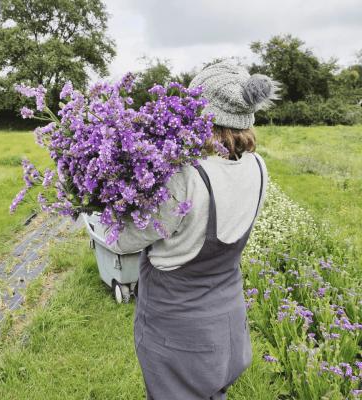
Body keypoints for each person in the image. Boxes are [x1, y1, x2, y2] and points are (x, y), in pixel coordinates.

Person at [104, 60, 280, 400]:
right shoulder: (259, 166)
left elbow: (125, 239)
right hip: (228, 323)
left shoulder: (185, 177)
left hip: (181, 337)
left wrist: (110, 203)